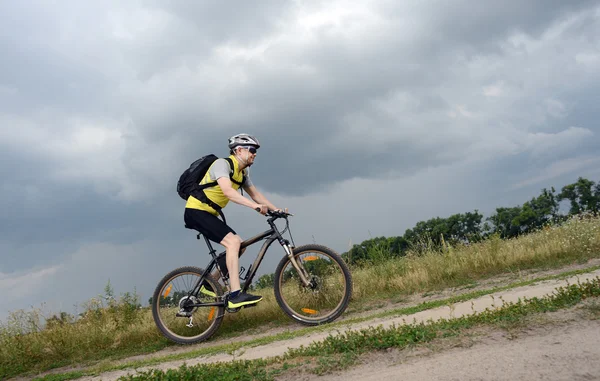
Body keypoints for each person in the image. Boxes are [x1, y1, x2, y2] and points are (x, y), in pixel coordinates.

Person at [184, 133, 284, 309]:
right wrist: (254, 207)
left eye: (256, 151)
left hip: (209, 213)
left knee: (241, 245)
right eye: (252, 150)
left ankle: (211, 282)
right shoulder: (222, 164)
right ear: (238, 150)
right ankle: (235, 295)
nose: (255, 154)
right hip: (196, 211)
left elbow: (256, 195)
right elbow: (228, 192)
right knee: (233, 242)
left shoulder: (243, 172)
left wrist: (277, 210)